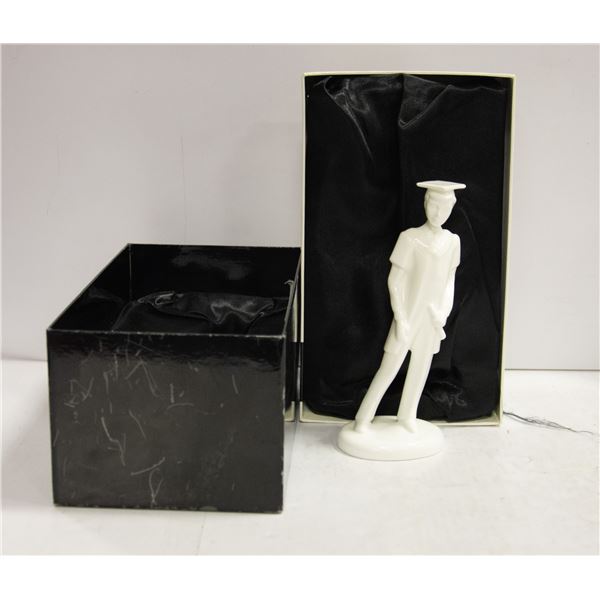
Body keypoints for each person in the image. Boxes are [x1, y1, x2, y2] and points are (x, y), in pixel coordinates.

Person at [353, 180, 464, 434]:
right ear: (425, 203)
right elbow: (395, 281)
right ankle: (363, 417)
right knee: (390, 366)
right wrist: (401, 318)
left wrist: (443, 312)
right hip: (409, 313)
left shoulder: (452, 242)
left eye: (444, 207)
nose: (438, 213)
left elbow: (450, 281)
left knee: (421, 367)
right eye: (434, 205)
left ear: (452, 209)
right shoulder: (410, 238)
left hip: (432, 317)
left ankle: (407, 415)